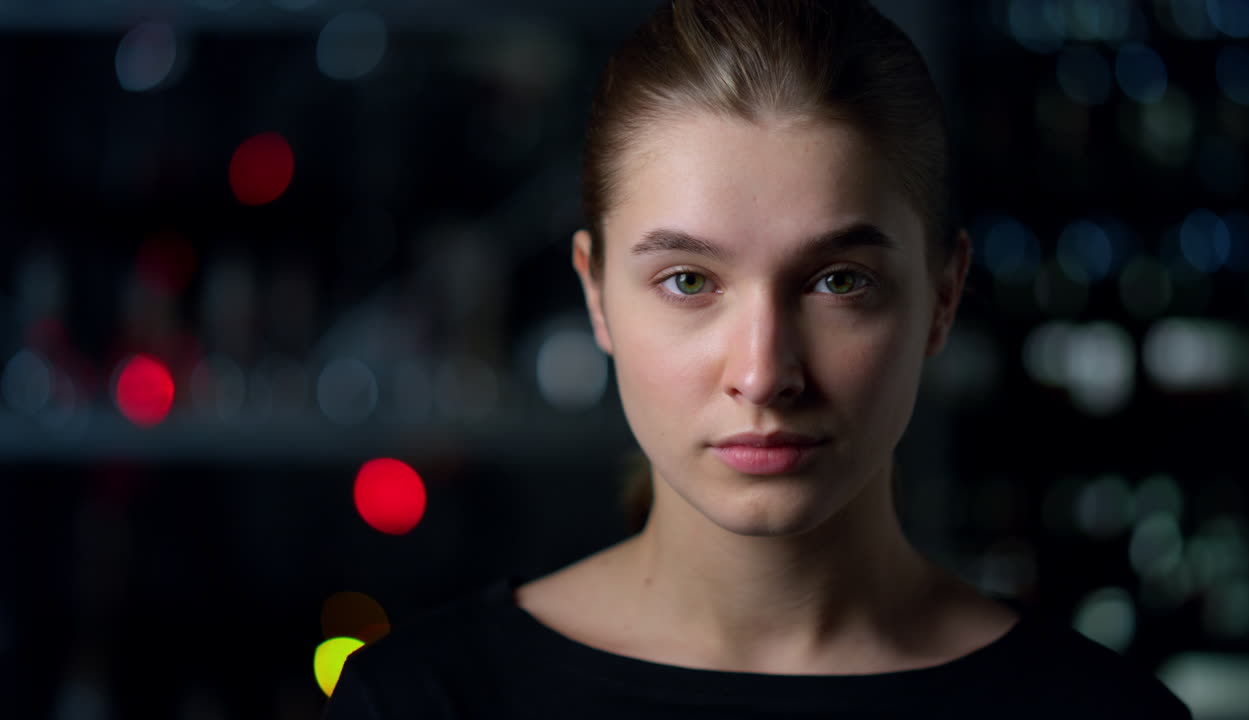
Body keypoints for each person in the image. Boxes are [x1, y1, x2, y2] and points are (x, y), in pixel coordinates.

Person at [324, 1, 1191, 717]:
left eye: (839, 281)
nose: (764, 372)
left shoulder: (1106, 715)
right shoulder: (418, 704)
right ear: (596, 296)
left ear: (944, 296)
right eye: (690, 280)